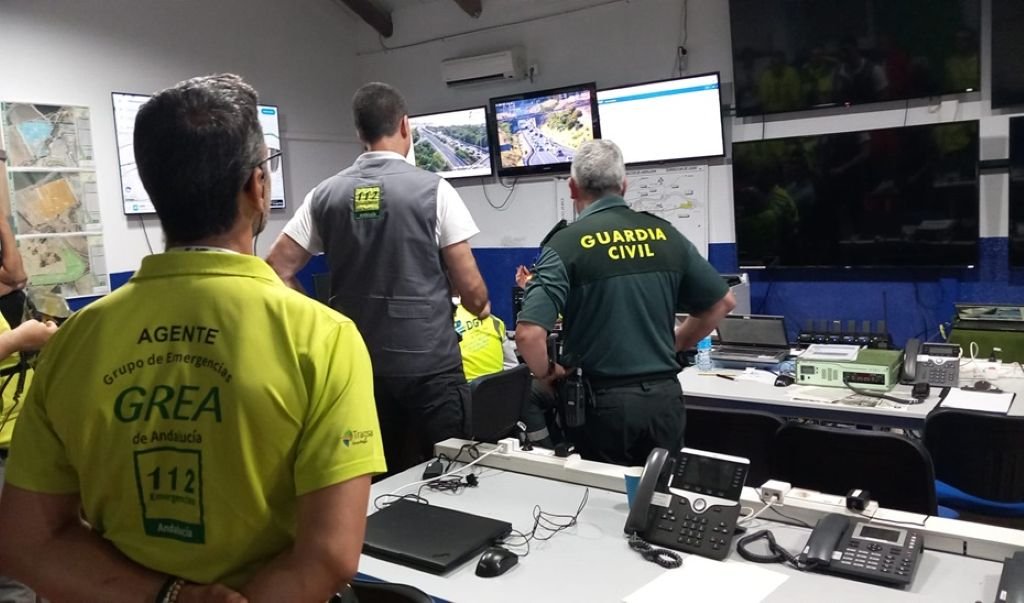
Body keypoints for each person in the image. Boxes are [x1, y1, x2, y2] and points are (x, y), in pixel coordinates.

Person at [0, 74, 386, 602]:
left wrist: (171, 597)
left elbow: (30, 541)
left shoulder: (74, 340)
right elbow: (330, 556)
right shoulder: (323, 337)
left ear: (155, 188)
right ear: (258, 186)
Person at [266, 82, 489, 476]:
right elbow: (472, 293)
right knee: (449, 482)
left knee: (373, 488)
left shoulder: (325, 194)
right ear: (405, 125)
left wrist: (325, 322)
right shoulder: (435, 190)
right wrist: (480, 305)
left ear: (359, 133)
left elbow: (275, 270)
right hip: (431, 373)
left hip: (360, 372)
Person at [515, 140, 735, 466]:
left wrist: (549, 372)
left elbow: (528, 335)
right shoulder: (665, 234)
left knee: (603, 504)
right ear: (624, 185)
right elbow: (722, 302)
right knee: (659, 502)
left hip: (603, 405)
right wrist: (676, 343)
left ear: (572, 188)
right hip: (665, 400)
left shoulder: (566, 244)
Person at [0, 145, 60, 603]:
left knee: (33, 562)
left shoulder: (9, 285)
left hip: (18, 438)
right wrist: (21, 340)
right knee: (13, 575)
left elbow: (15, 272)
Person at [454, 301, 517, 382]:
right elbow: (512, 365)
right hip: (500, 386)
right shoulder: (494, 321)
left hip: (468, 389)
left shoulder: (443, 324)